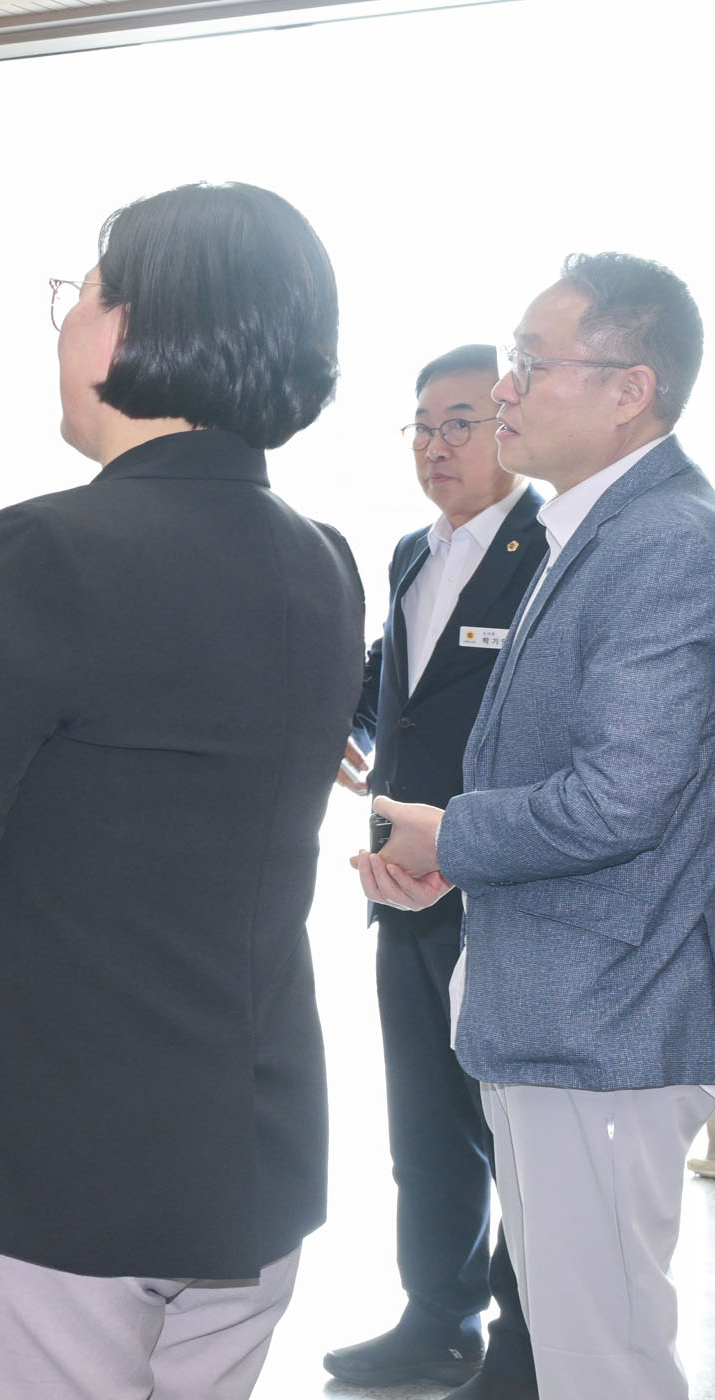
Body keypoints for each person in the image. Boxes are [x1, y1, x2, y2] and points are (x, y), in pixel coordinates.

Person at [0, 182, 363, 1400]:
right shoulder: (324, 564)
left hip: (44, 1145)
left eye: (86, 291)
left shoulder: (44, 549)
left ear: (140, 329)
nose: (67, 318)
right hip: (250, 1146)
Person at [359, 252, 715, 1400]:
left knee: (604, 1363)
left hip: (603, 1021)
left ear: (630, 389)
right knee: (576, 1351)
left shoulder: (665, 540)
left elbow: (625, 796)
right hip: (557, 1008)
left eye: (529, 362)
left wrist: (452, 836)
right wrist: (456, 864)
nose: (505, 388)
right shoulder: (594, 527)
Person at [325, 346, 543, 1398]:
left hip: (503, 888)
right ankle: (436, 1320)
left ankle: (524, 1346)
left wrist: (464, 846)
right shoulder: (414, 549)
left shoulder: (553, 548)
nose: (435, 445)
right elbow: (394, 675)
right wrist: (346, 723)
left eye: (459, 422)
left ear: (508, 422)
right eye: (420, 425)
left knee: (516, 1132)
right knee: (425, 1123)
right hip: (400, 885)